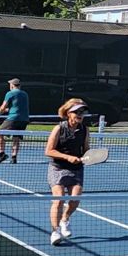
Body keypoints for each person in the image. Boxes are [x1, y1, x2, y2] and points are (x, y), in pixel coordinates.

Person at [43, 99, 90, 246]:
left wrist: (89, 157)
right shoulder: (59, 129)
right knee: (59, 199)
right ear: (68, 113)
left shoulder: (85, 130)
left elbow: (86, 149)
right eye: (76, 111)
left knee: (75, 199)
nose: (80, 114)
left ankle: (65, 219)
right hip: (58, 168)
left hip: (76, 169)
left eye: (82, 111)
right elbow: (48, 151)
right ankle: (55, 231)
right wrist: (68, 157)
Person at [0, 77, 30, 163]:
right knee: (16, 137)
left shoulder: (10, 93)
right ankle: (14, 157)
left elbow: (2, 109)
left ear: (12, 85)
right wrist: (6, 110)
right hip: (24, 119)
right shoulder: (25, 94)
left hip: (13, 118)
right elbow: (17, 107)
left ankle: (2, 154)